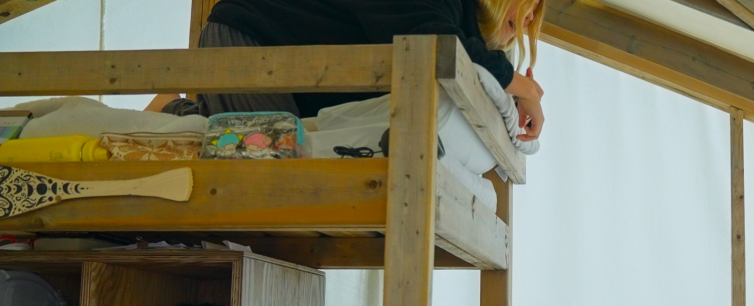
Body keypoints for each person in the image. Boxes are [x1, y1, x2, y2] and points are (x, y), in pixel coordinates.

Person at [150, 0, 546, 140]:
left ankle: (193, 114)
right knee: (263, 165)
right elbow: (430, 39)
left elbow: (460, 48)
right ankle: (177, 112)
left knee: (274, 157)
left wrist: (512, 84)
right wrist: (520, 87)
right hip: (249, 45)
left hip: (289, 75)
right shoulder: (443, 16)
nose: (530, 17)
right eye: (531, 2)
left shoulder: (460, 22)